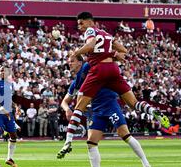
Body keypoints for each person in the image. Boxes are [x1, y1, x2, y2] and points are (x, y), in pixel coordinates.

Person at [60, 11, 169, 157]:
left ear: (90, 21)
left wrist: (76, 52)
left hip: (99, 71)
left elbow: (91, 45)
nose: (79, 27)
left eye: (81, 23)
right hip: (113, 69)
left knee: (80, 106)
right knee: (133, 103)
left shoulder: (90, 31)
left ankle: (68, 141)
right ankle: (153, 112)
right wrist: (113, 55)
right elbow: (123, 51)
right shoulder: (106, 34)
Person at [60, 55, 152, 167]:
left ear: (80, 62)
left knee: (124, 134)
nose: (69, 64)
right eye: (69, 62)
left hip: (109, 103)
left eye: (72, 61)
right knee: (91, 142)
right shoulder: (77, 82)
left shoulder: (89, 66)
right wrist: (67, 109)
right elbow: (65, 101)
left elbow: (106, 63)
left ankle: (146, 164)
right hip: (96, 109)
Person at [0, 66, 19, 167]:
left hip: (9, 114)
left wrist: (15, 106)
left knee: (14, 135)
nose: (3, 72)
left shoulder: (10, 84)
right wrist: (2, 109)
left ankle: (9, 158)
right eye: (1, 70)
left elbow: (9, 99)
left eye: (5, 70)